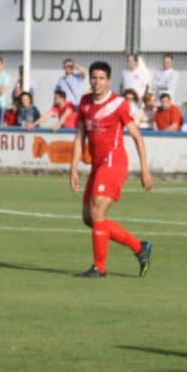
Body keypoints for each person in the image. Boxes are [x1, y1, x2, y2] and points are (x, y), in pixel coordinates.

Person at [69, 61, 153, 278]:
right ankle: (139, 247)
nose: (96, 82)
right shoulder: (85, 103)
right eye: (93, 78)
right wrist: (73, 169)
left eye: (101, 78)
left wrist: (145, 169)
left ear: (108, 81)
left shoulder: (118, 104)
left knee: (97, 211)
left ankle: (99, 267)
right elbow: (80, 137)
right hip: (97, 165)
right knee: (89, 217)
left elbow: (136, 136)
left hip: (114, 163)